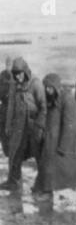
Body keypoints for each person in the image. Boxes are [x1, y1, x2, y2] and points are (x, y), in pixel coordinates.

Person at [34, 74, 76, 196]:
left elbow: (71, 124)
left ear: (56, 87)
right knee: (48, 166)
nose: (48, 91)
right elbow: (46, 115)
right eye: (46, 88)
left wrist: (64, 145)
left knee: (75, 168)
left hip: (64, 141)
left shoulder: (68, 99)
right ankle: (46, 190)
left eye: (50, 88)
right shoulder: (51, 98)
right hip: (51, 139)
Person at [2, 58, 45, 191]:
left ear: (25, 71)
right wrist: (8, 125)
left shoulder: (36, 84)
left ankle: (43, 184)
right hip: (19, 125)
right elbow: (11, 107)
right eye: (15, 75)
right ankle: (14, 181)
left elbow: (43, 107)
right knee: (15, 152)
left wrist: (40, 126)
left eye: (20, 74)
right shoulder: (14, 85)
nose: (18, 77)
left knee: (39, 154)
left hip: (34, 125)